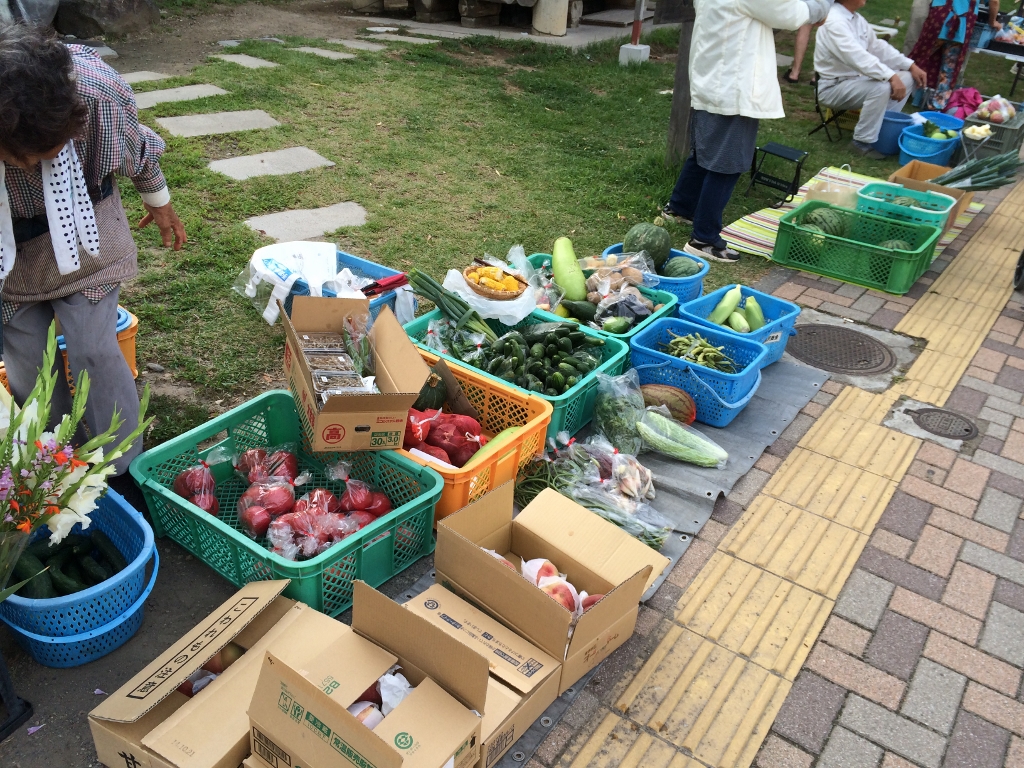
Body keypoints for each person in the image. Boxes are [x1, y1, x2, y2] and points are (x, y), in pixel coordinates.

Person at [0, 24, 187, 475]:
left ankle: (124, 469)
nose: (31, 166)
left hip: (88, 232)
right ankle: (51, 464)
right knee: (27, 362)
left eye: (46, 150)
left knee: (93, 349)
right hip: (7, 247)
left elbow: (138, 149)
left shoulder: (98, 93)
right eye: (19, 155)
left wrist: (160, 203)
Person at [662, 0, 832, 264]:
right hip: (734, 84)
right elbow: (790, 13)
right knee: (727, 163)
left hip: (714, 75)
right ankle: (704, 239)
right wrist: (821, 5)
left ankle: (680, 207)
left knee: (705, 152)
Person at [814, 0, 928, 159]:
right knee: (881, 87)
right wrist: (891, 76)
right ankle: (861, 141)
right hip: (833, 88)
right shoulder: (834, 21)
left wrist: (910, 65)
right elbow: (857, 57)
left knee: (908, 78)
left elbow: (878, 48)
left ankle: (882, 132)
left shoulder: (856, 18)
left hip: (855, 81)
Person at [911, 0, 1001, 111]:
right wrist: (993, 21)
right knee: (949, 67)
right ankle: (937, 104)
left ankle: (902, 89)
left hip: (939, 15)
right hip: (961, 23)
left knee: (918, 59)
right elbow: (994, 1)